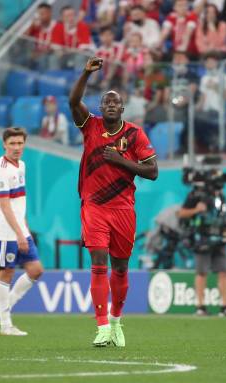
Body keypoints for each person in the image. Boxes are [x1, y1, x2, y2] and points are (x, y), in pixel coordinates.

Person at [69, 57, 158, 347]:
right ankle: (102, 326)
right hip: (94, 206)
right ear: (100, 106)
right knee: (98, 262)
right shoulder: (89, 126)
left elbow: (153, 171)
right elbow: (72, 101)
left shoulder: (134, 134)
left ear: (122, 109)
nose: (109, 105)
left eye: (115, 102)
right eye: (105, 101)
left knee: (120, 268)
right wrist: (85, 72)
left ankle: (117, 320)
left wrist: (122, 161)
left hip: (123, 209)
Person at [0, 128, 44, 336]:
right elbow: (5, 206)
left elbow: (18, 203)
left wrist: (25, 229)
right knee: (6, 273)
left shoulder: (21, 165)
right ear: (4, 144)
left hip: (20, 229)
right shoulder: (0, 170)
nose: (17, 147)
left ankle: (2, 309)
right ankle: (6, 325)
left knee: (36, 269)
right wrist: (19, 234)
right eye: (12, 143)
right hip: (5, 232)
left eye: (20, 143)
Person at [177, 183, 226, 317]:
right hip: (202, 240)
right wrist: (196, 210)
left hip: (220, 240)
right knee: (202, 273)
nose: (220, 187)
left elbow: (225, 219)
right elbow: (181, 213)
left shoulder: (222, 198)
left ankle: (225, 306)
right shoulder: (196, 196)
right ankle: (200, 306)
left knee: (224, 271)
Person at [25, 3, 55, 70]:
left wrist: (40, 53)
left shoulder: (57, 26)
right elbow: (24, 37)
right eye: (39, 14)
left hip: (49, 55)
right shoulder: (37, 27)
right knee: (24, 58)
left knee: (43, 59)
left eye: (42, 14)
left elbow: (55, 47)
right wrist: (32, 25)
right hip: (37, 54)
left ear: (49, 13)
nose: (40, 16)